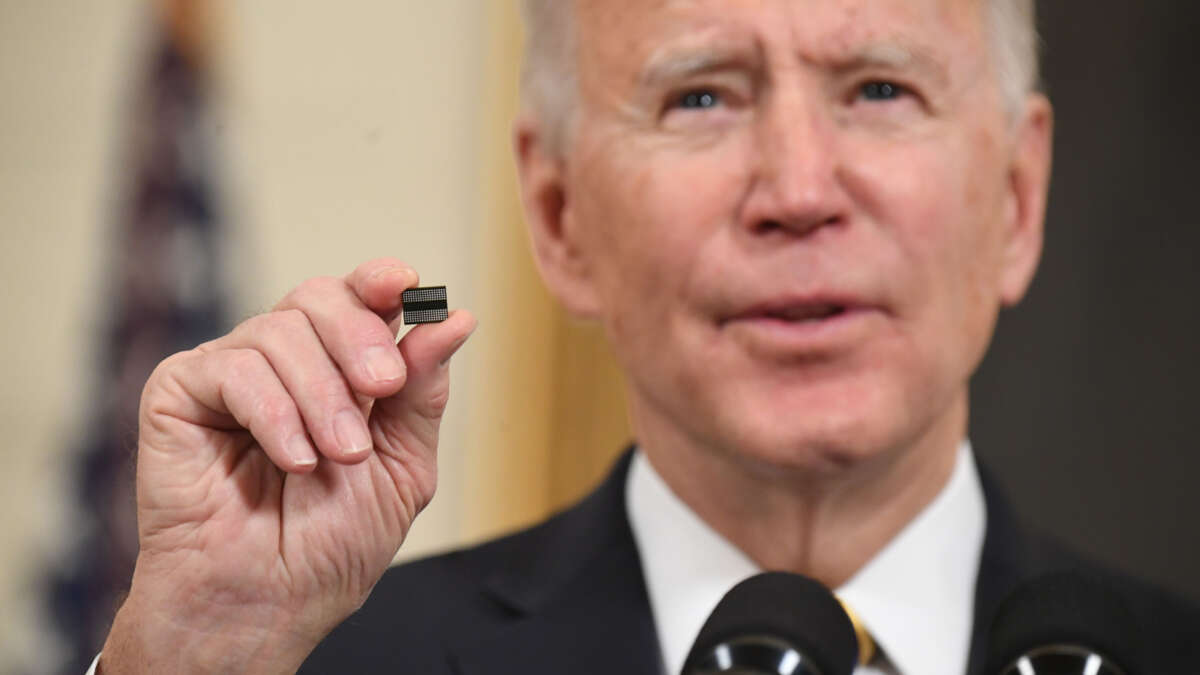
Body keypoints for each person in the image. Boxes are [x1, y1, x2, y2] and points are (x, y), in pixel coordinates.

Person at [93, 0, 1199, 674]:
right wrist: (200, 658)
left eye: (878, 88)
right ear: (560, 214)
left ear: (1016, 197)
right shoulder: (319, 665)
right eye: (701, 99)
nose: (799, 191)